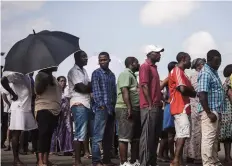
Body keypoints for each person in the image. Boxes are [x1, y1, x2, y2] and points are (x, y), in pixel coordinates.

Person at [1, 72, 38, 166]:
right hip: (18, 108)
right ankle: (16, 160)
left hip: (27, 108)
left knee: (35, 131)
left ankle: (39, 159)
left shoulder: (27, 76)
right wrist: (12, 93)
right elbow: (3, 80)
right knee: (17, 133)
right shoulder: (16, 74)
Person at [169, 52, 196, 166]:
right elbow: (182, 89)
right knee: (182, 134)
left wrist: (191, 91)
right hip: (180, 107)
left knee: (181, 134)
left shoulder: (182, 73)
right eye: (189, 59)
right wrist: (193, 92)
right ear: (184, 59)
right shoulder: (177, 71)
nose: (190, 62)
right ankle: (175, 160)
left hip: (184, 107)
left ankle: (178, 160)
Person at [197, 49, 224, 166]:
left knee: (214, 140)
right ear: (209, 60)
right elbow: (202, 94)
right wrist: (208, 113)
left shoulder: (213, 71)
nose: (218, 65)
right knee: (208, 139)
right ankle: (208, 163)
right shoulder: (206, 73)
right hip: (209, 111)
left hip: (216, 110)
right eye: (216, 62)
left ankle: (214, 161)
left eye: (219, 62)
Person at [139, 45, 164, 166]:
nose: (159, 55)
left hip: (156, 105)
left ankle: (151, 162)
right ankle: (144, 163)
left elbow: (155, 87)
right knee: (147, 137)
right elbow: (144, 85)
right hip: (149, 106)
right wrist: (149, 104)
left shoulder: (154, 68)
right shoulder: (145, 67)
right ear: (149, 54)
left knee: (154, 137)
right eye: (157, 52)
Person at [91, 52, 117, 166]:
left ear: (109, 60)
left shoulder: (112, 75)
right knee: (98, 136)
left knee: (108, 136)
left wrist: (113, 106)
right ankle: (96, 161)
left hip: (111, 108)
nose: (102, 62)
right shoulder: (96, 73)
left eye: (104, 59)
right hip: (101, 108)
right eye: (100, 60)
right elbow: (96, 92)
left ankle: (107, 159)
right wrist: (101, 105)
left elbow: (114, 92)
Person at [67, 50, 92, 166]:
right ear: (76, 58)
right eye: (83, 57)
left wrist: (88, 86)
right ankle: (77, 161)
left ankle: (79, 159)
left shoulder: (84, 71)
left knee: (84, 132)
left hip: (86, 103)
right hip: (79, 103)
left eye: (86, 56)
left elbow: (87, 86)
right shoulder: (73, 71)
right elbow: (82, 88)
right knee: (79, 132)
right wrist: (87, 87)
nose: (86, 58)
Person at [115, 57, 140, 166]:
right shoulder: (125, 74)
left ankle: (134, 161)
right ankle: (123, 162)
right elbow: (124, 91)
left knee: (135, 137)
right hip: (125, 108)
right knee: (124, 137)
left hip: (134, 108)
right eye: (137, 62)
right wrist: (129, 107)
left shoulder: (133, 75)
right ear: (132, 63)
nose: (138, 64)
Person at [35, 67, 62, 166]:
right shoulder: (40, 75)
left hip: (54, 110)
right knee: (43, 135)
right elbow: (38, 90)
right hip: (44, 109)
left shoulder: (53, 78)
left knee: (49, 136)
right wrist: (46, 80)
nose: (56, 65)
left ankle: (46, 159)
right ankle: (40, 161)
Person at [183, 58, 205, 164]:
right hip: (196, 106)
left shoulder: (195, 75)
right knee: (196, 131)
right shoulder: (196, 75)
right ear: (198, 66)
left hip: (197, 106)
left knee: (195, 131)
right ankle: (194, 155)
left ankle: (192, 155)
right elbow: (199, 90)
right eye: (203, 64)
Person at [158, 61, 177, 162]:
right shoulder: (169, 77)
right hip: (170, 107)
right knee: (170, 134)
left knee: (170, 134)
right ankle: (172, 156)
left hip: (175, 106)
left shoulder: (176, 77)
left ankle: (166, 154)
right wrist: (165, 99)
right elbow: (158, 88)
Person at [50, 76, 73, 155]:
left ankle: (66, 149)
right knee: (56, 131)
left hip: (66, 115)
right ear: (58, 82)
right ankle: (55, 149)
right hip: (57, 114)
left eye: (64, 81)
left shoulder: (67, 92)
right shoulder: (55, 92)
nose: (63, 82)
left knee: (67, 131)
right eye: (61, 81)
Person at [219, 64, 232, 163]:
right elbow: (231, 95)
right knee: (229, 136)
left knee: (228, 137)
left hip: (225, 112)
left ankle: (227, 157)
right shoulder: (230, 81)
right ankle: (228, 157)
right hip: (229, 111)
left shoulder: (225, 81)